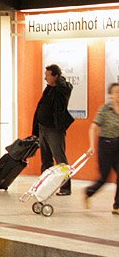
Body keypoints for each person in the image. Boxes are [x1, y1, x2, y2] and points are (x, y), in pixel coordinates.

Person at [32, 64, 75, 195]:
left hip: (54, 130)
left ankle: (66, 187)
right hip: (43, 128)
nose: (45, 78)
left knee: (60, 160)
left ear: (55, 76)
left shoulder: (63, 89)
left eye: (47, 75)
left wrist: (59, 80)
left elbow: (65, 87)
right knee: (46, 160)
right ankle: (45, 187)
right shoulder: (48, 89)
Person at [83, 82, 119, 213]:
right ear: (111, 95)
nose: (118, 95)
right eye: (116, 92)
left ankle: (117, 206)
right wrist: (92, 145)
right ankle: (88, 192)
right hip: (106, 145)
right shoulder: (104, 109)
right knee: (105, 177)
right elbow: (93, 127)